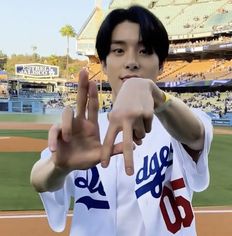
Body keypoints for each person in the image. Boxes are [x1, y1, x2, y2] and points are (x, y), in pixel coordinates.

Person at [30, 5, 213, 236]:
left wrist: (156, 96)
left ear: (162, 64)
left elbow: (196, 134)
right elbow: (39, 179)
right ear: (104, 64)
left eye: (145, 50)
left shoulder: (178, 123)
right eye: (118, 51)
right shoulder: (87, 131)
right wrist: (58, 166)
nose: (131, 62)